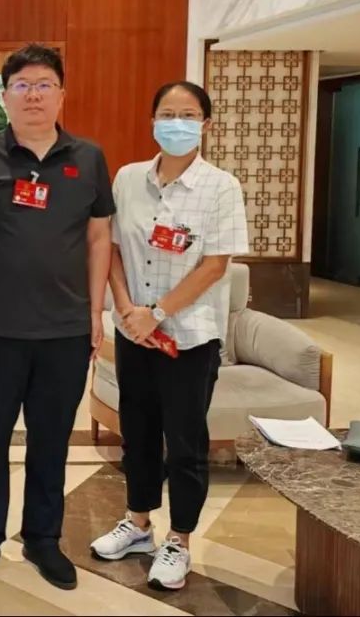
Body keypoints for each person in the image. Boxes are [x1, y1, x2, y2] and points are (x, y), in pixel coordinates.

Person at [0, 44, 114, 590]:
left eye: (44, 84)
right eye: (21, 85)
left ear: (61, 94)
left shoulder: (88, 158)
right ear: (4, 96)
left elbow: (99, 238)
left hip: (65, 330)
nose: (33, 95)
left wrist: (95, 311)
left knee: (51, 440)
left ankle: (43, 538)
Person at [90, 82, 248, 591]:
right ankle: (138, 523)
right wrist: (127, 310)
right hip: (134, 333)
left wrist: (157, 313)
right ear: (153, 121)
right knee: (137, 433)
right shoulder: (128, 178)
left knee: (184, 442)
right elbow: (113, 248)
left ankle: (178, 539)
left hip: (189, 338)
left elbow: (215, 265)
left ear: (206, 124)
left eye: (188, 115)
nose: (176, 123)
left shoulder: (220, 186)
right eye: (167, 113)